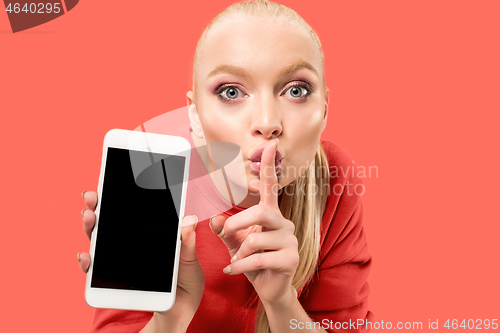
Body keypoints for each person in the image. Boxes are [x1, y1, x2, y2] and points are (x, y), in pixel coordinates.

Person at [78, 1, 374, 332]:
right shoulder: (151, 175)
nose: (267, 123)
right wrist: (170, 317)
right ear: (195, 116)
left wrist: (281, 302)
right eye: (231, 91)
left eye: (296, 90)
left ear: (324, 109)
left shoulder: (330, 178)